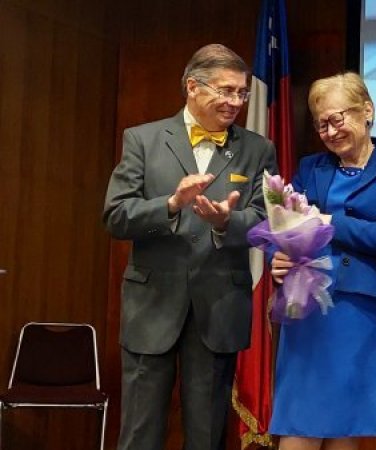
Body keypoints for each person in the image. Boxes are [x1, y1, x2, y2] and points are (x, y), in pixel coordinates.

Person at [103, 44, 278, 450]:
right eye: (226, 90)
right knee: (140, 433)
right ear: (192, 87)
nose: (236, 102)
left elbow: (269, 220)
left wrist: (225, 222)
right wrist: (169, 204)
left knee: (207, 435)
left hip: (218, 308)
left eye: (242, 92)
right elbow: (115, 215)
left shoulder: (258, 150)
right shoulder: (143, 140)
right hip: (152, 306)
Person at [267, 72, 376, 450]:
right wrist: (277, 260)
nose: (331, 131)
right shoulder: (310, 168)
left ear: (367, 110)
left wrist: (332, 221)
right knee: (299, 423)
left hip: (365, 313)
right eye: (322, 124)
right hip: (311, 312)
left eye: (338, 119)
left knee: (346, 424)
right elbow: (286, 228)